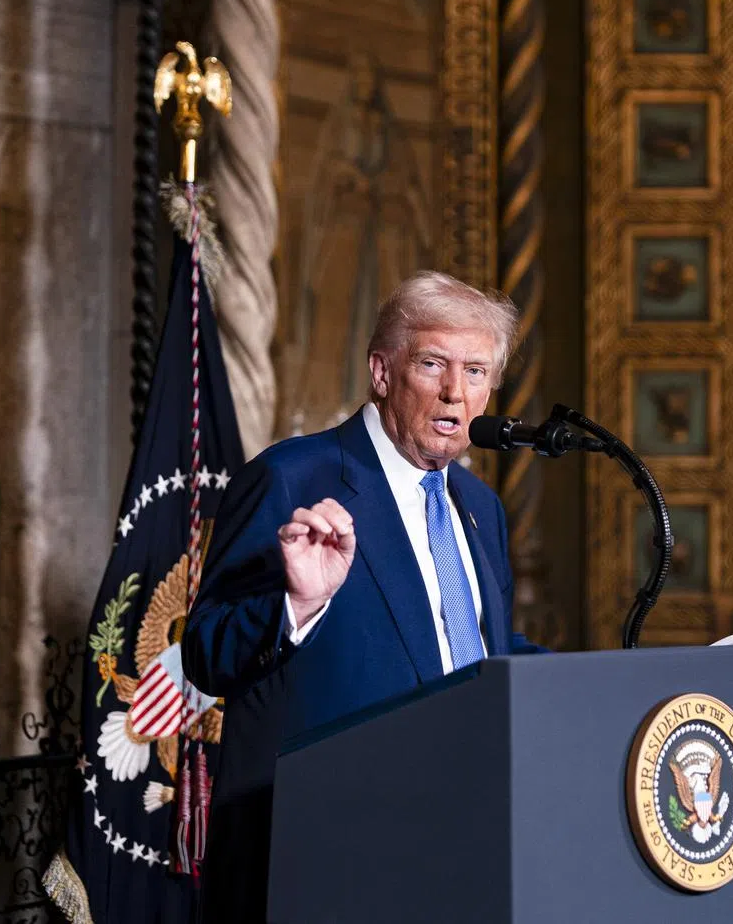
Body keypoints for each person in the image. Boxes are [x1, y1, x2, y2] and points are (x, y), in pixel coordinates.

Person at [181, 270, 544, 918]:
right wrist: (297, 606)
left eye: (477, 371)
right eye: (433, 363)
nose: (456, 392)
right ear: (382, 372)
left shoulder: (479, 507)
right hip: (323, 859)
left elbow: (476, 652)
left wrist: (602, 680)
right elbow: (207, 653)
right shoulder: (292, 478)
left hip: (456, 843)